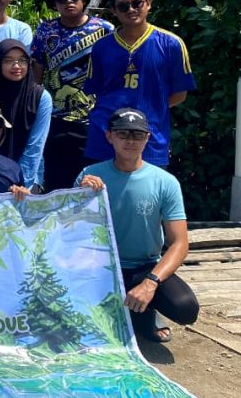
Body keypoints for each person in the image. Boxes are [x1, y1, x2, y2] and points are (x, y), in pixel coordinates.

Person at [78, 108, 199, 343]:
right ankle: (133, 312)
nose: (130, 141)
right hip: (99, 267)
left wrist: (151, 282)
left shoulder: (165, 182)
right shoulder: (89, 175)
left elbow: (180, 243)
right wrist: (80, 197)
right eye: (123, 134)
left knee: (185, 308)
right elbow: (69, 230)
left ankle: (144, 308)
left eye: (137, 135)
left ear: (147, 138)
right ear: (109, 136)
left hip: (145, 266)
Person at [84, 0, 196, 167]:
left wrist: (150, 110)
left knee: (147, 195)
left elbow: (180, 94)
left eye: (137, 3)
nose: (131, 10)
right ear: (114, 10)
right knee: (101, 193)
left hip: (150, 139)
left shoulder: (171, 44)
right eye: (123, 6)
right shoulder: (102, 47)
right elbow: (96, 90)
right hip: (105, 137)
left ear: (148, 4)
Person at [31, 0, 114, 190]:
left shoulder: (105, 29)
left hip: (94, 118)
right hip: (55, 119)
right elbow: (37, 70)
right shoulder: (45, 31)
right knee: (57, 182)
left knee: (93, 181)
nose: (68, 1)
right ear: (54, 3)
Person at [0, 40, 52, 192]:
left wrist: (22, 183)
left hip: (28, 176)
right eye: (8, 60)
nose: (16, 66)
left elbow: (35, 145)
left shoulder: (41, 97)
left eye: (22, 60)